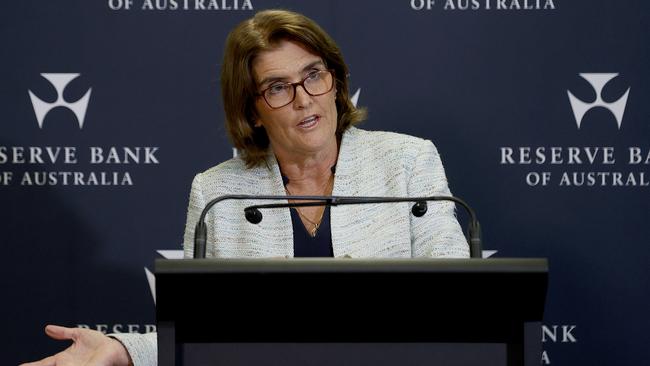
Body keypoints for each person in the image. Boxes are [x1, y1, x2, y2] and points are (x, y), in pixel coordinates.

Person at [21, 9, 469, 366]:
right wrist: (120, 350)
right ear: (253, 111)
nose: (303, 98)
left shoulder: (408, 161)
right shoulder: (217, 192)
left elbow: (461, 303)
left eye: (314, 75)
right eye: (277, 87)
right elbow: (196, 336)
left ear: (336, 81)